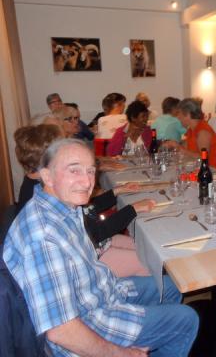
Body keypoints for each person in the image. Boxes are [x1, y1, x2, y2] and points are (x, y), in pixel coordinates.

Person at [4, 138, 199, 356]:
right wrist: (120, 352)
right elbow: (62, 332)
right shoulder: (44, 238)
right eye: (74, 170)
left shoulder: (65, 207)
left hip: (100, 295)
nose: (87, 181)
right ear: (47, 176)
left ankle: (152, 339)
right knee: (186, 320)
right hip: (89, 323)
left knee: (171, 287)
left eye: (90, 171)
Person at [13, 124, 156, 277]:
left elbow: (87, 209)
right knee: (150, 264)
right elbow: (96, 232)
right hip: (89, 258)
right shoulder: (42, 194)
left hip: (96, 244)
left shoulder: (43, 184)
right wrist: (132, 209)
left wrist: (115, 192)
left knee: (149, 249)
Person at [163, 98, 216, 169]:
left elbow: (203, 158)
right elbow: (185, 147)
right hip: (198, 168)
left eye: (179, 114)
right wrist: (173, 144)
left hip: (213, 170)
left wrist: (179, 148)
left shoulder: (203, 132)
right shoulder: (191, 129)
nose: (178, 118)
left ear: (187, 114)